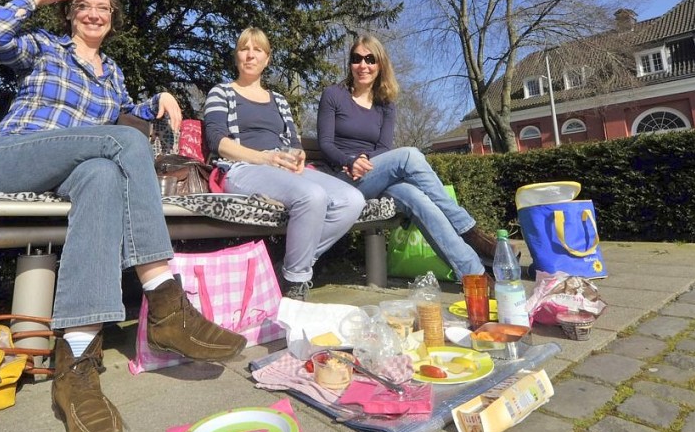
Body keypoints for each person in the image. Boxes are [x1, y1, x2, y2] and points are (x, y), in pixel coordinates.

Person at [0, 0, 246, 432]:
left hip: (73, 170)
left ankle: (76, 364)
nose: (93, 13)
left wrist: (157, 100)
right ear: (69, 12)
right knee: (121, 144)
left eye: (103, 7)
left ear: (113, 19)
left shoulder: (113, 73)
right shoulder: (43, 48)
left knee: (101, 175)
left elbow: (120, 114)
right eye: (83, 5)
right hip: (12, 156)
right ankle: (164, 299)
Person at [317, 34, 518, 283]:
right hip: (344, 180)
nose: (363, 65)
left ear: (380, 64)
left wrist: (364, 160)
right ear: (350, 63)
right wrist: (350, 161)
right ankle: (469, 230)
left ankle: (474, 276)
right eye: (356, 59)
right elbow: (325, 144)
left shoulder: (385, 104)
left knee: (417, 198)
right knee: (410, 155)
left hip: (373, 174)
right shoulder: (333, 95)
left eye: (370, 59)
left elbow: (383, 148)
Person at [203, 27, 365, 301]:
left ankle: (287, 268)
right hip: (243, 167)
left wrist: (298, 155)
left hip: (283, 167)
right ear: (237, 56)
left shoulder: (278, 100)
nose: (250, 55)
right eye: (245, 48)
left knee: (352, 199)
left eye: (258, 50)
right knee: (312, 196)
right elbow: (216, 140)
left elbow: (294, 140)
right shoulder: (222, 92)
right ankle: (295, 283)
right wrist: (264, 157)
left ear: (267, 59)